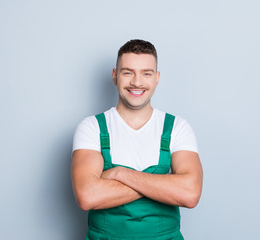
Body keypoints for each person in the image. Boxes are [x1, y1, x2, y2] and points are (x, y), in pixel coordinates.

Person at [71, 39, 203, 240]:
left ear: (157, 78)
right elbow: (88, 196)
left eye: (146, 73)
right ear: (115, 76)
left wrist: (119, 173)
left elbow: (190, 194)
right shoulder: (92, 128)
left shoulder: (177, 127)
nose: (137, 82)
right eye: (128, 72)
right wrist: (163, 185)